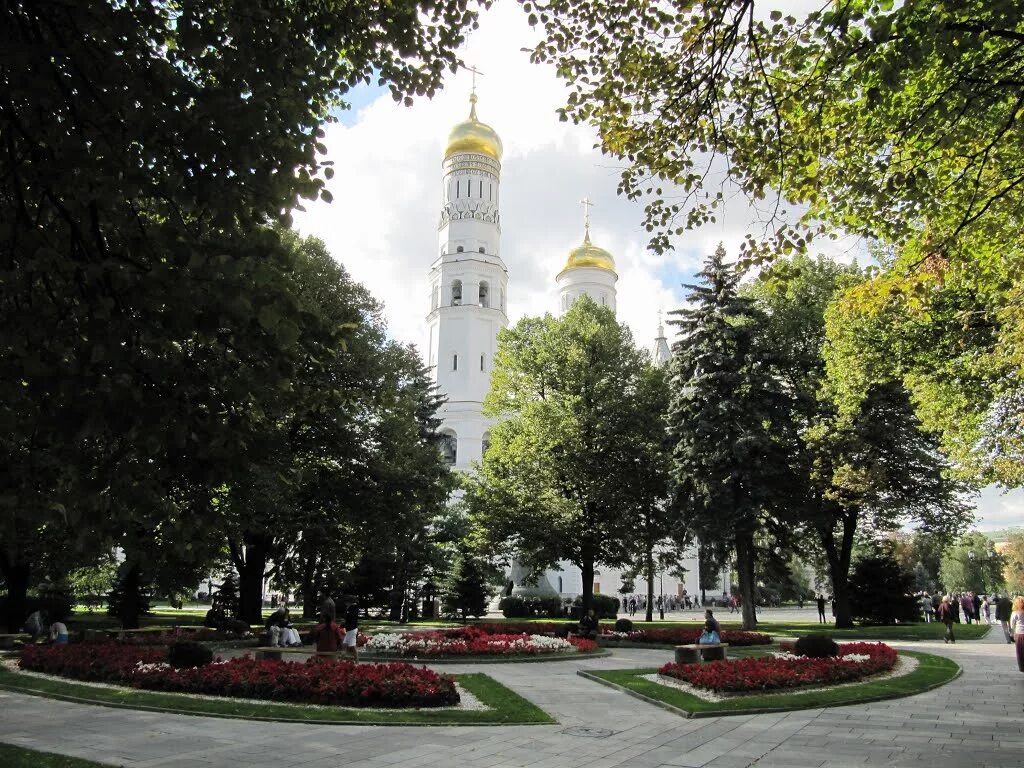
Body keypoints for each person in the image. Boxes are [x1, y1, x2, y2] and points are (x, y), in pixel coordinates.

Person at [1010, 597, 1024, 672]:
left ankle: (1022, 668)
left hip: (1019, 634)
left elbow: (1012, 625)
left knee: (1020, 653)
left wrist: (1012, 634)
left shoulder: (1015, 613)